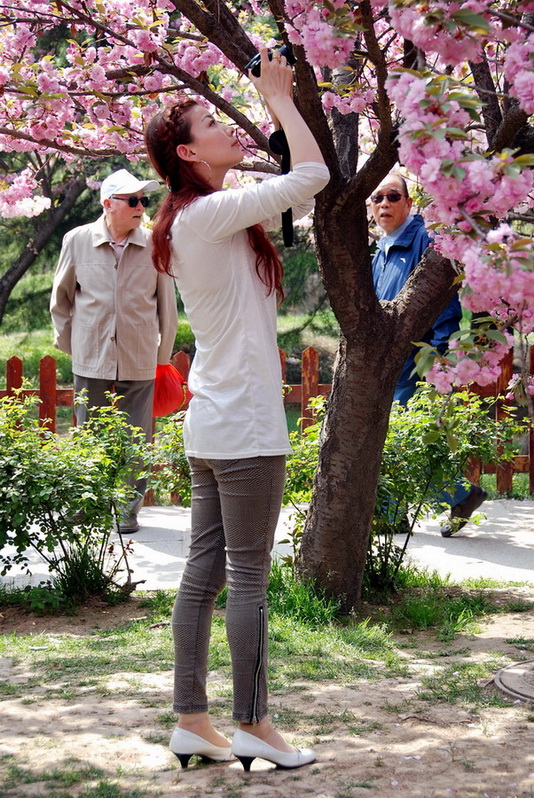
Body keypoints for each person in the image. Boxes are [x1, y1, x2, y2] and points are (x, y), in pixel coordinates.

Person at [145, 49, 329, 771]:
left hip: (215, 420)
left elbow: (301, 194)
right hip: (246, 423)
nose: (230, 129)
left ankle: (193, 719)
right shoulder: (209, 214)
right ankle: (254, 723)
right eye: (211, 124)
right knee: (245, 577)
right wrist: (280, 99)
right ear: (188, 152)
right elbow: (312, 177)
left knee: (204, 572)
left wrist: (277, 123)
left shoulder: (205, 217)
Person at [50, 168, 178, 533]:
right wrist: (74, 346)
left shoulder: (155, 243)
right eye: (132, 200)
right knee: (88, 433)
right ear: (108, 204)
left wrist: (162, 356)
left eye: (144, 200)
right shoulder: (77, 240)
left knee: (137, 436)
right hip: (90, 356)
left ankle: (127, 509)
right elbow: (60, 301)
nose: (141, 206)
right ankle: (86, 502)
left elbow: (167, 307)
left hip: (139, 356)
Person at [370, 173, 487, 537]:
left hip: (416, 361)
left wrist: (438, 362)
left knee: (397, 435)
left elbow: (444, 303)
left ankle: (460, 495)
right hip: (386, 364)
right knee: (391, 435)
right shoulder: (380, 251)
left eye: (392, 196)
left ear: (409, 203)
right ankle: (397, 514)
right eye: (377, 198)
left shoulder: (425, 240)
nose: (384, 204)